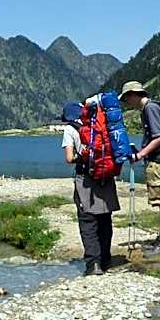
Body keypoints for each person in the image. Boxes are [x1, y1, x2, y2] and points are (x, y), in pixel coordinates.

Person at [60, 101, 120, 275]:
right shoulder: (102, 125)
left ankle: (93, 264)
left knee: (88, 220)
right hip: (106, 176)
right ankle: (106, 260)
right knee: (105, 218)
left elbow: (69, 158)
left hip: (85, 178)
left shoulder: (70, 130)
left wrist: (83, 157)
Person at [120, 81, 160, 256]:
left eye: (127, 99)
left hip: (158, 161)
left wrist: (140, 154)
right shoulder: (148, 109)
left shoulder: (150, 108)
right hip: (156, 160)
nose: (127, 103)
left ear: (134, 94)